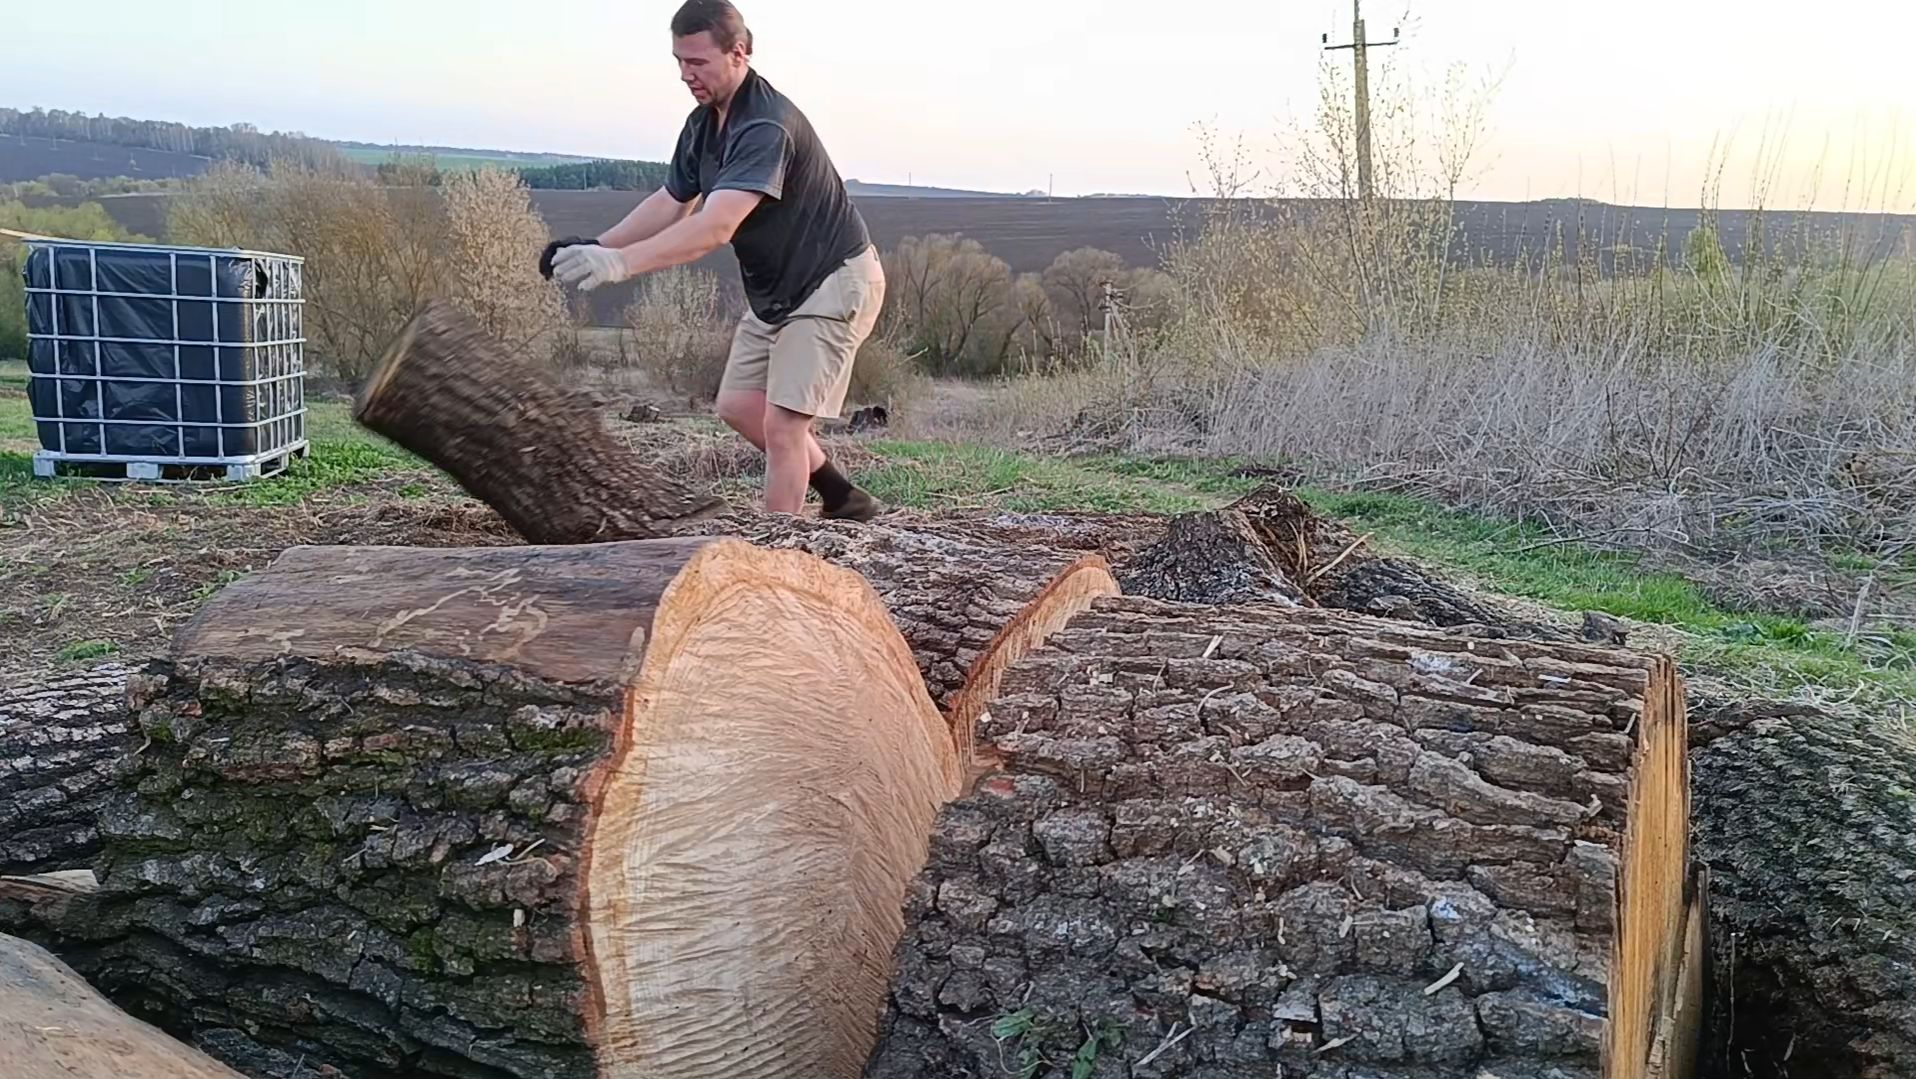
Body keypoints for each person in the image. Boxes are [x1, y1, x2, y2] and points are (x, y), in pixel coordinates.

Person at [542, 0, 884, 521]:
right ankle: (845, 497)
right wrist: (599, 245)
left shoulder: (765, 125)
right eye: (679, 61)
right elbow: (672, 200)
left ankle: (777, 558)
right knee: (739, 406)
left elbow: (714, 226)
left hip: (832, 282)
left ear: (738, 54)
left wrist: (623, 265)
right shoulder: (704, 123)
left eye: (697, 62)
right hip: (776, 290)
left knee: (784, 427)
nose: (685, 75)